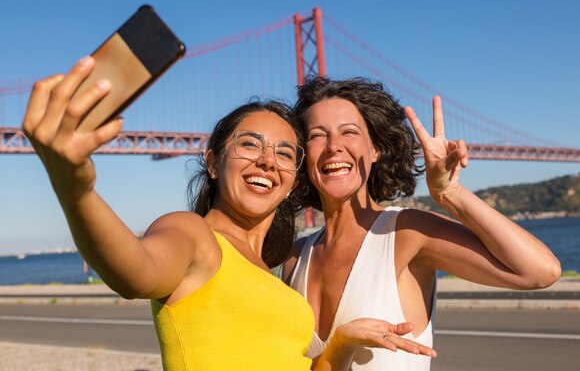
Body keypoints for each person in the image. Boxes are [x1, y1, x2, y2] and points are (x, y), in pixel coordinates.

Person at [22, 58, 436, 371]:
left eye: (285, 153)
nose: (267, 161)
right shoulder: (193, 235)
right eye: (250, 145)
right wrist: (76, 190)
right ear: (214, 162)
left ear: (294, 180)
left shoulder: (274, 268)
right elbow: (135, 271)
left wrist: (341, 344)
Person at [283, 77, 562, 370]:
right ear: (303, 155)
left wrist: (450, 194)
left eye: (349, 131)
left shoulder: (407, 232)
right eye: (317, 135)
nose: (333, 146)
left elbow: (541, 272)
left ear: (376, 149)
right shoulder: (294, 257)